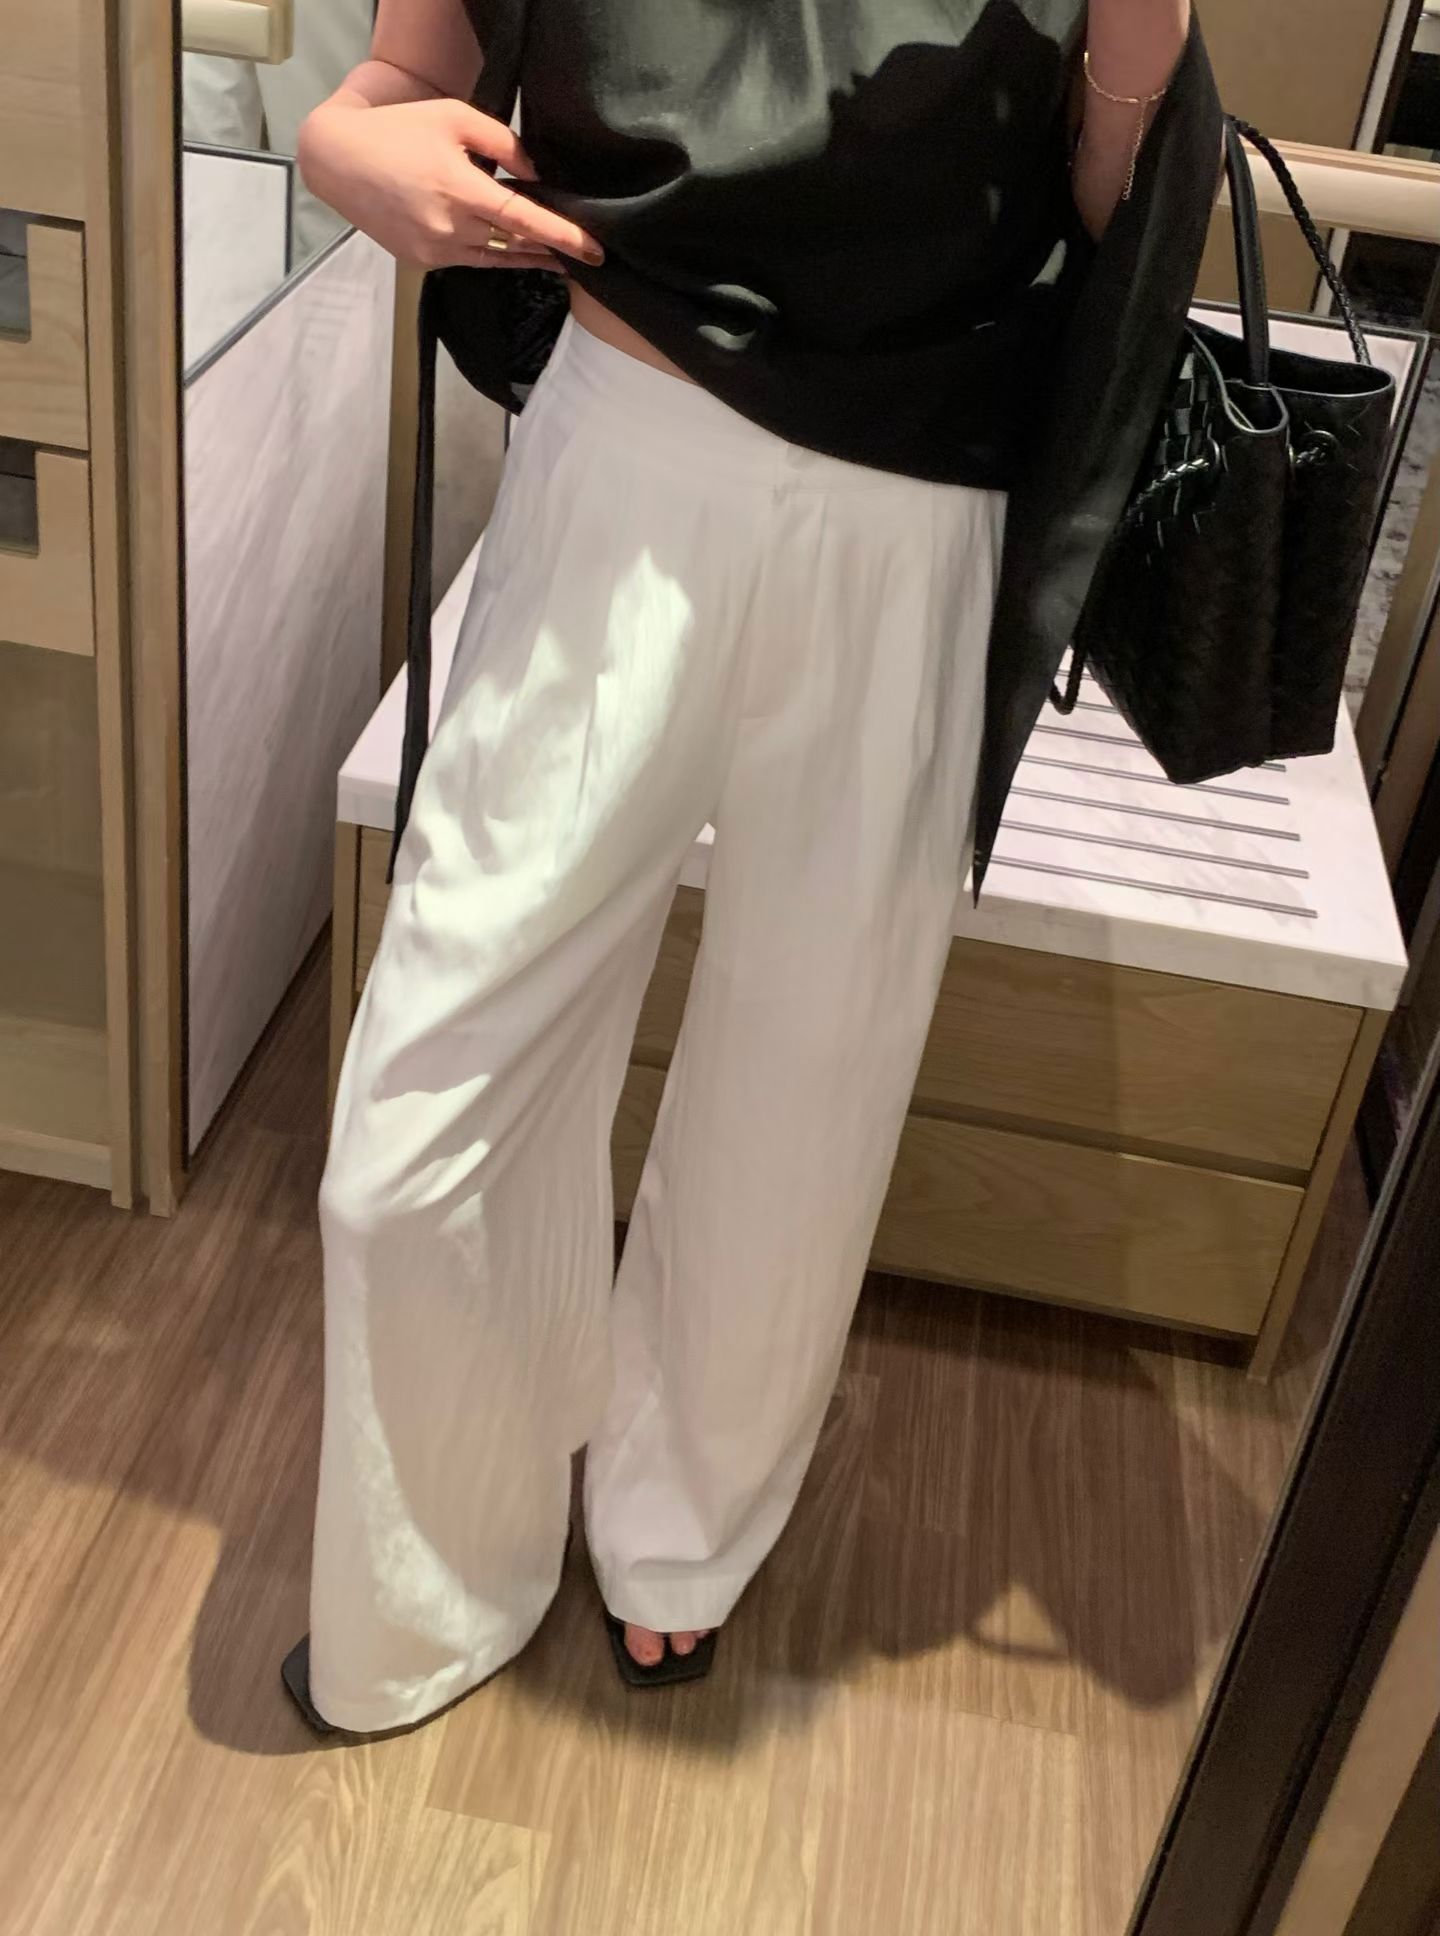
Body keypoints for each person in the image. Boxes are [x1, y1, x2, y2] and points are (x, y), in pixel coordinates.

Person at [282, 0, 1220, 1736]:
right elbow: (393, 86)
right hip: (623, 457)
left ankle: (680, 1534)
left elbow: (1107, 201)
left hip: (922, 516)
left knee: (810, 1083)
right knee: (433, 1093)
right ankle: (434, 1573)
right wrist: (343, 147)